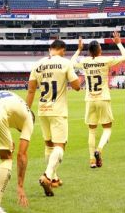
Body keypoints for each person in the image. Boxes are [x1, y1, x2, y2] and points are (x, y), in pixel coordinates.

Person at [27, 40, 80, 197]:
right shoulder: (65, 63)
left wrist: (26, 110)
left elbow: (31, 90)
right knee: (60, 146)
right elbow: (77, 86)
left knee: (49, 145)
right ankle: (48, 176)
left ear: (50, 49)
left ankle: (55, 178)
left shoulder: (37, 64)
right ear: (62, 50)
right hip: (58, 110)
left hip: (43, 110)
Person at [71, 31, 125, 168]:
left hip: (90, 99)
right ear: (99, 50)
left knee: (91, 130)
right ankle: (99, 149)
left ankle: (92, 160)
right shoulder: (105, 60)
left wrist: (78, 50)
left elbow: (72, 63)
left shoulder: (85, 62)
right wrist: (118, 43)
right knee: (107, 128)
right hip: (103, 97)